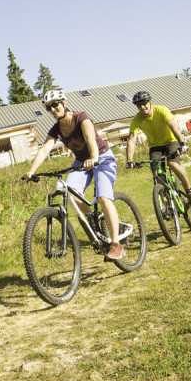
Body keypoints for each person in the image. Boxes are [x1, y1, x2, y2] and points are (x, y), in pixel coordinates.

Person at [23, 89, 125, 260]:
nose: (53, 109)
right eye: (49, 107)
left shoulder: (81, 118)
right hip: (81, 163)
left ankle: (115, 244)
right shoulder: (56, 129)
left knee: (103, 198)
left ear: (64, 103)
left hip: (102, 157)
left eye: (55, 104)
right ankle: (94, 217)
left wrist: (94, 158)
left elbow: (90, 139)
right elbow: (44, 149)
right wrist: (31, 171)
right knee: (69, 192)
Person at [125, 91, 191, 208]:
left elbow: (172, 126)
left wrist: (182, 143)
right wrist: (129, 160)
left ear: (150, 102)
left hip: (171, 142)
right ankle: (166, 206)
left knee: (173, 164)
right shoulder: (137, 119)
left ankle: (190, 192)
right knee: (157, 175)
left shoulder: (161, 110)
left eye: (144, 103)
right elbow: (132, 139)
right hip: (155, 147)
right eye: (138, 105)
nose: (142, 107)